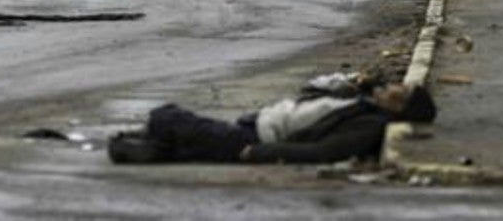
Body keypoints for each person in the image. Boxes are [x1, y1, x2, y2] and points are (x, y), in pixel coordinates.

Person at [107, 72, 437, 165]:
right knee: (186, 135)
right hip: (254, 127)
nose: (392, 86)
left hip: (255, 140)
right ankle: (151, 147)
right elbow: (315, 90)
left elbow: (323, 152)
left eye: (400, 90)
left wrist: (260, 153)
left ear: (399, 107)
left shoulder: (370, 123)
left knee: (165, 116)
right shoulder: (365, 106)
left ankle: (152, 145)